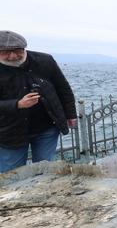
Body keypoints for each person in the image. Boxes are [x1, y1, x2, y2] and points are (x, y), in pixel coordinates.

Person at [0, 31, 77, 173]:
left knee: (45, 170)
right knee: (11, 174)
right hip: (9, 131)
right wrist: (17, 104)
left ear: (24, 49)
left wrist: (70, 114)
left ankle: (45, 194)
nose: (12, 56)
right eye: (5, 52)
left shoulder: (45, 61)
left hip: (46, 127)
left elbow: (63, 88)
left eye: (17, 51)